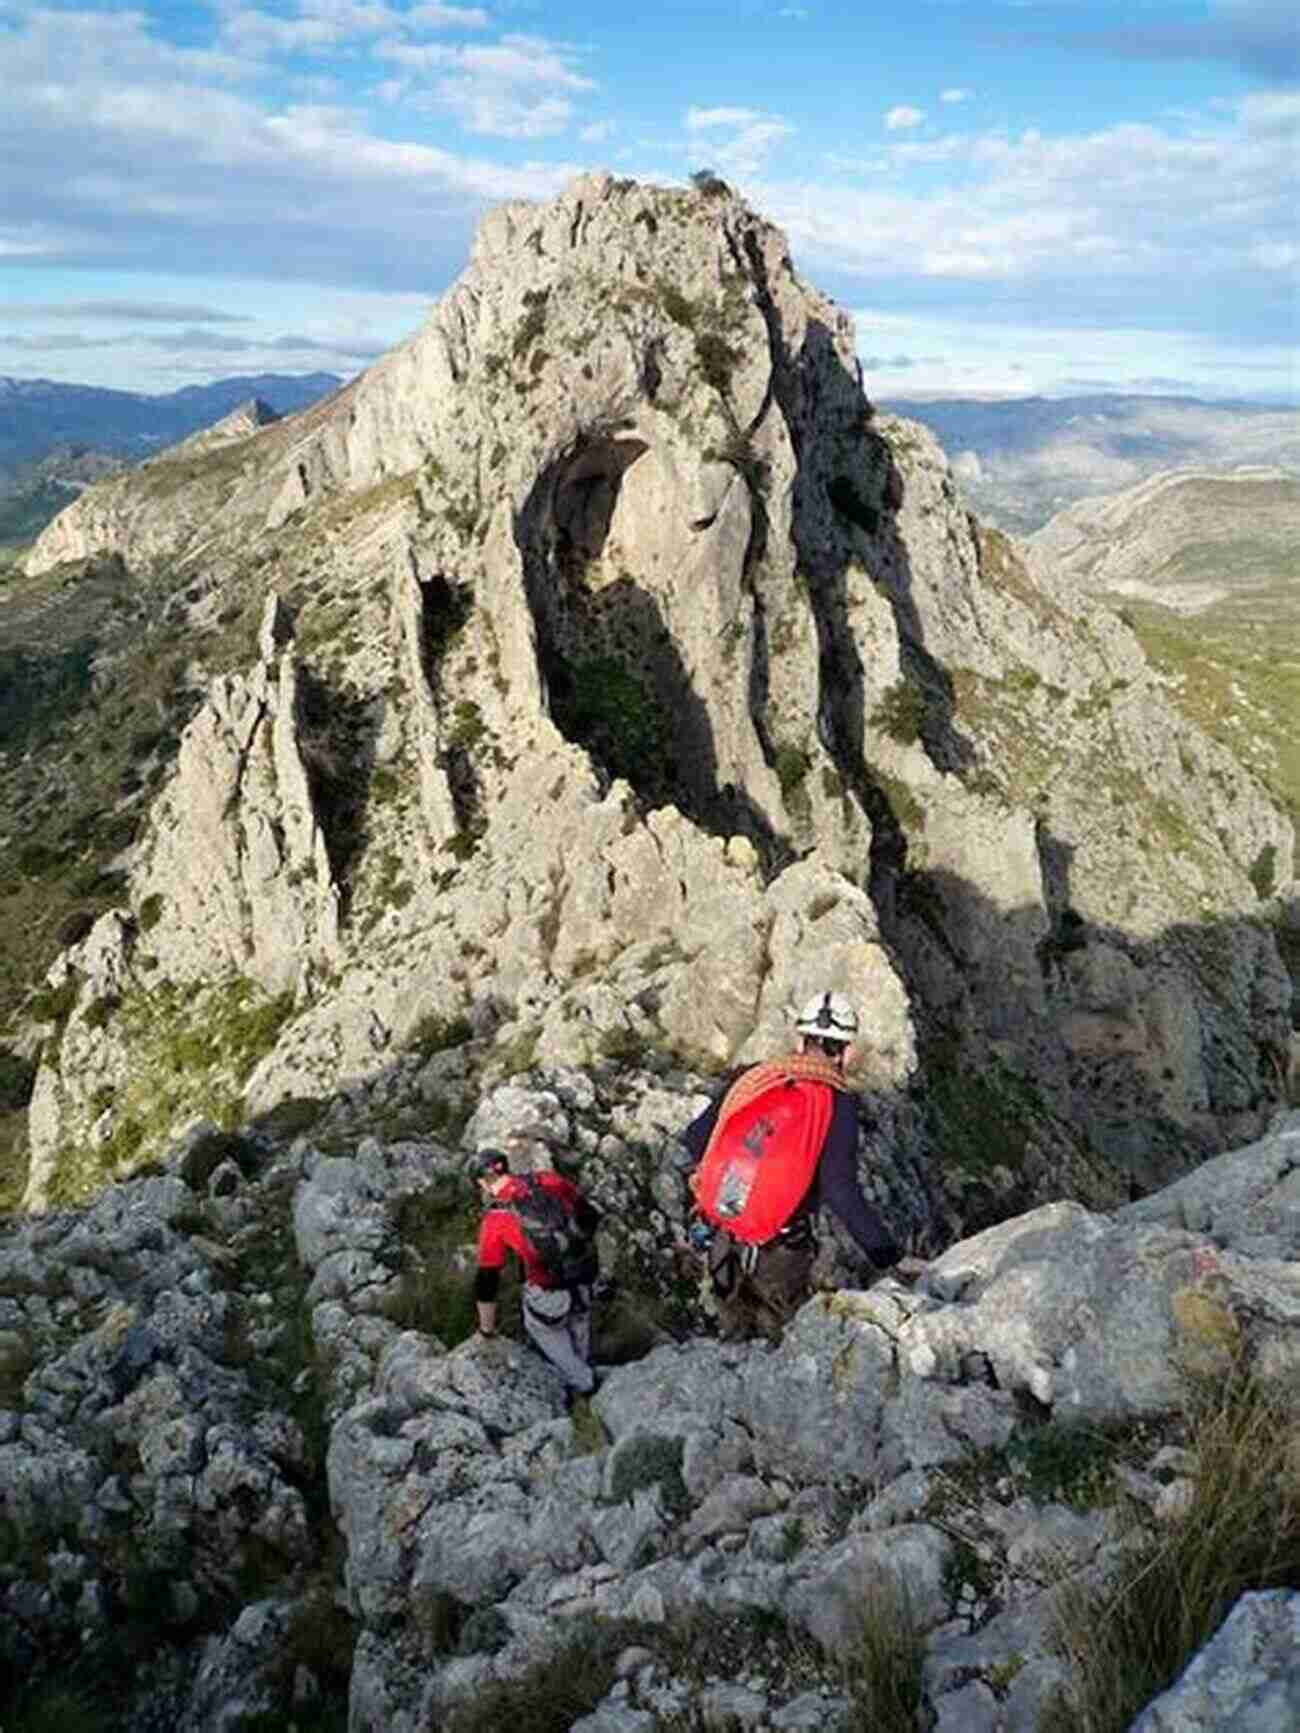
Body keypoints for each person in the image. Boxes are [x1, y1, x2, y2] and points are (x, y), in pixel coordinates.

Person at [680, 989, 908, 1339]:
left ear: (801, 1041)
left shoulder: (756, 1078)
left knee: (733, 1333)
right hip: (781, 1253)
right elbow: (839, 1190)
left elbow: (697, 1138)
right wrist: (887, 1255)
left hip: (723, 1237)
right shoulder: (837, 1103)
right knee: (780, 1341)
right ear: (845, 1052)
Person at [471, 1146, 601, 1396]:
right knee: (579, 1326)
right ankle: (585, 1372)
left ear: (483, 1183)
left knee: (542, 1329)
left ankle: (584, 1386)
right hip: (583, 1278)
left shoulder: (496, 1218)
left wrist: (486, 1330)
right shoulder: (547, 1180)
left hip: (548, 1295)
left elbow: (487, 1280)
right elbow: (589, 1216)